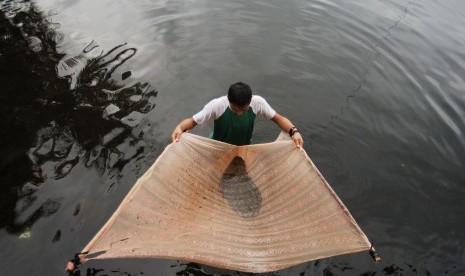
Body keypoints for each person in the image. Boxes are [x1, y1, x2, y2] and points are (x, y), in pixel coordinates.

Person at [171, 82, 303, 147]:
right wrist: (179, 128)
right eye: (235, 110)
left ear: (250, 100)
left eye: (244, 110)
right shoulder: (217, 105)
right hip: (217, 147)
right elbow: (192, 121)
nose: (240, 113)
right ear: (228, 99)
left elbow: (278, 119)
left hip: (244, 146)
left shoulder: (257, 103)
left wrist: (294, 131)